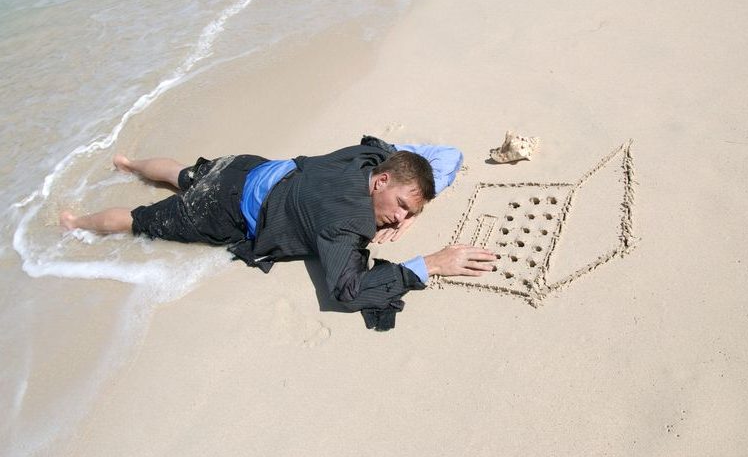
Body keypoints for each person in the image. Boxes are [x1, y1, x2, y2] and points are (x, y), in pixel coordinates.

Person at [60, 136, 497, 330]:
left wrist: (412, 207)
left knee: (183, 173)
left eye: (408, 214)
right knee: (139, 220)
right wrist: (431, 264)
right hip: (222, 211)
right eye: (400, 207)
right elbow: (347, 292)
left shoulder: (372, 156)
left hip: (249, 168)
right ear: (382, 183)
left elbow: (442, 156)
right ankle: (75, 224)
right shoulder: (344, 224)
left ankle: (128, 164)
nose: (399, 221)